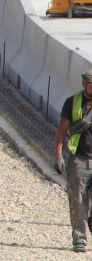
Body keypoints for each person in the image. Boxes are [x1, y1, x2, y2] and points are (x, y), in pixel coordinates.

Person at [57, 69, 92, 253]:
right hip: (78, 159)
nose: (90, 87)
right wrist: (58, 154)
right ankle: (79, 238)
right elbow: (62, 130)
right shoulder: (72, 102)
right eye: (88, 84)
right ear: (83, 84)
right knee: (77, 200)